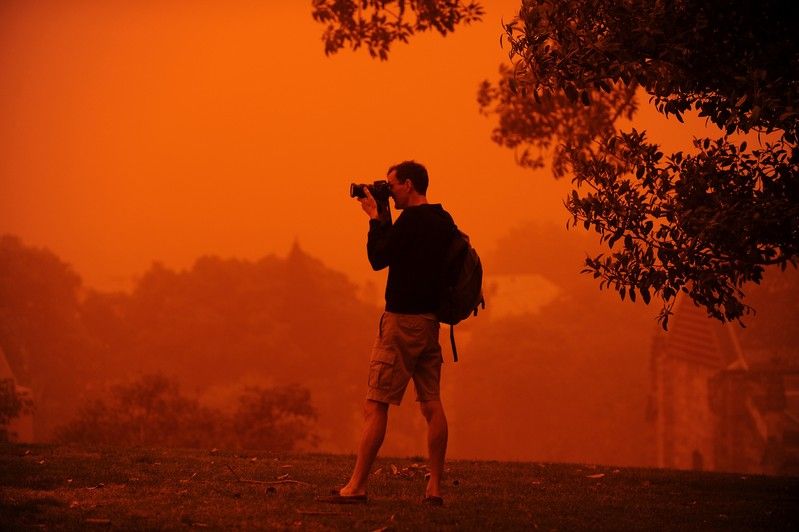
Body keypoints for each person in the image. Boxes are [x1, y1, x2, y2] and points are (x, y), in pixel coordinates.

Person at [323, 160, 456, 506]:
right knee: (432, 404)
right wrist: (385, 217)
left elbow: (379, 258)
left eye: (392, 185)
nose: (389, 191)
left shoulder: (410, 222)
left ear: (409, 185)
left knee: (376, 403)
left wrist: (373, 218)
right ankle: (435, 488)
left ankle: (356, 487)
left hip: (401, 323)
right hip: (430, 323)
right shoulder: (443, 221)